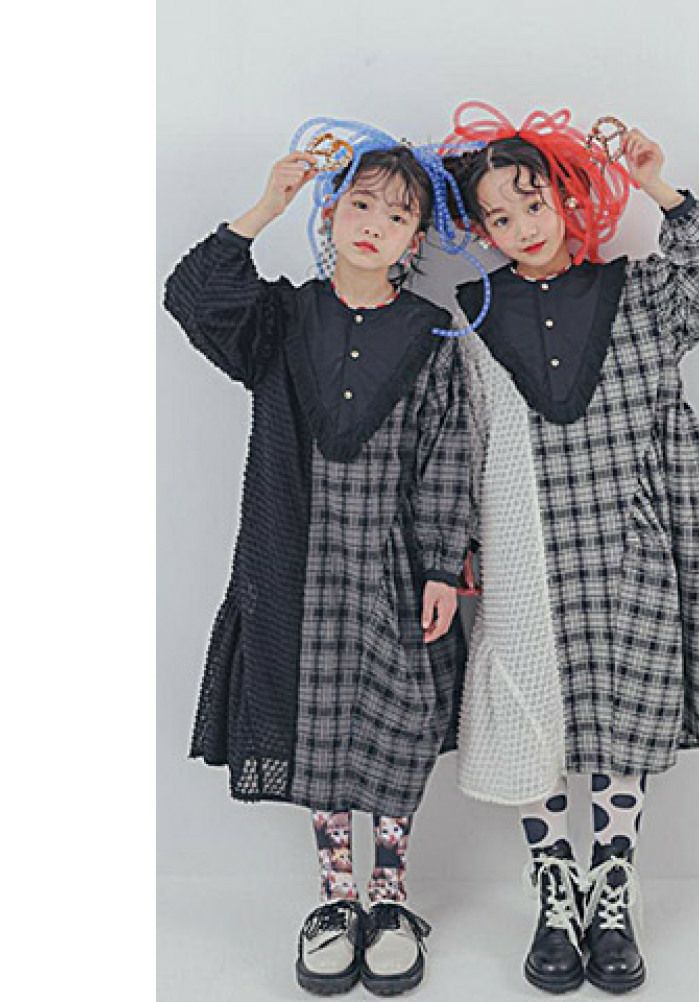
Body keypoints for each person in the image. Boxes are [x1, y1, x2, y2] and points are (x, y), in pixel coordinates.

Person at [443, 101, 699, 994]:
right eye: (499, 218)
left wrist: (659, 187)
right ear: (481, 232)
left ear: (567, 195)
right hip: (521, 540)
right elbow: (463, 438)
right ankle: (555, 887)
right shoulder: (471, 315)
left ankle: (612, 883)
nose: (522, 227)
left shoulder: (638, 290)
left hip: (632, 531)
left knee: (628, 705)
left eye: (533, 203)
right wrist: (457, 545)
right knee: (529, 716)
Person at [163, 118, 484, 997]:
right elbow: (192, 295)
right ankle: (337, 898)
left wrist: (441, 566)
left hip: (391, 565)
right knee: (317, 726)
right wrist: (267, 203)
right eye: (361, 204)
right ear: (332, 212)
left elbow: (446, 453)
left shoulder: (431, 332)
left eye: (398, 215)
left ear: (416, 241)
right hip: (294, 559)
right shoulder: (281, 317)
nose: (375, 224)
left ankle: (391, 897)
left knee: (398, 724)